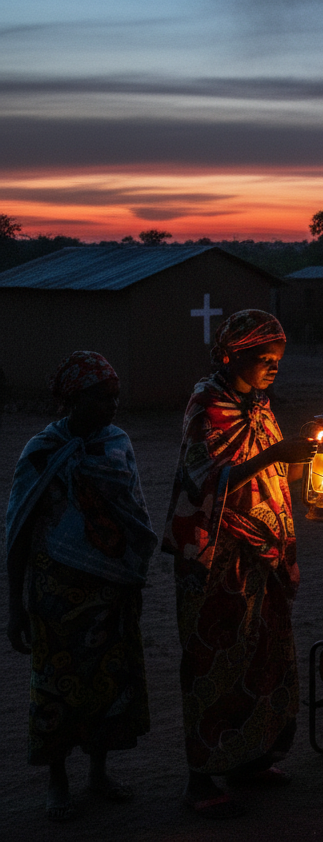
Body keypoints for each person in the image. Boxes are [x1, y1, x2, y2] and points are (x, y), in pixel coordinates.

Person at [163, 309, 323, 819]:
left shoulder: (258, 405)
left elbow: (272, 475)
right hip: (217, 558)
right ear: (233, 355)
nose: (273, 367)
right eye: (263, 358)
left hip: (261, 555)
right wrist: (276, 454)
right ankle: (200, 777)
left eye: (277, 359)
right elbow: (206, 478)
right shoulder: (207, 404)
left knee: (261, 657)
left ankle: (248, 758)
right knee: (216, 660)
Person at [6, 352, 157, 822]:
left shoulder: (117, 444)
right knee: (55, 688)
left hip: (110, 593)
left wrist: (131, 573)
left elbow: (133, 515)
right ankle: (58, 782)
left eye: (114, 397)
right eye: (101, 397)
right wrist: (15, 606)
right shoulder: (42, 452)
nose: (112, 406)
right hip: (57, 595)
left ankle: (98, 772)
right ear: (73, 399)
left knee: (108, 684)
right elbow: (18, 530)